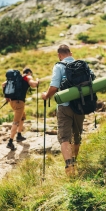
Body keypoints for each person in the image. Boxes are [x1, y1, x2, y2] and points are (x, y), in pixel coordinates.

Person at [41, 44, 85, 176]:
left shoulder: (59, 66)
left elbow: (54, 87)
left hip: (65, 106)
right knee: (76, 136)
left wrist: (46, 96)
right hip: (81, 105)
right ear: (71, 53)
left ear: (59, 55)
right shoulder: (81, 65)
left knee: (65, 138)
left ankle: (69, 166)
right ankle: (75, 161)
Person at [3, 67, 39, 151]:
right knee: (16, 122)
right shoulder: (27, 77)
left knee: (22, 117)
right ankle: (10, 142)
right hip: (19, 102)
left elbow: (3, 84)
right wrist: (37, 81)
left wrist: (6, 97)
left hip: (12, 102)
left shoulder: (16, 79)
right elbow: (33, 85)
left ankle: (19, 135)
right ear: (29, 72)